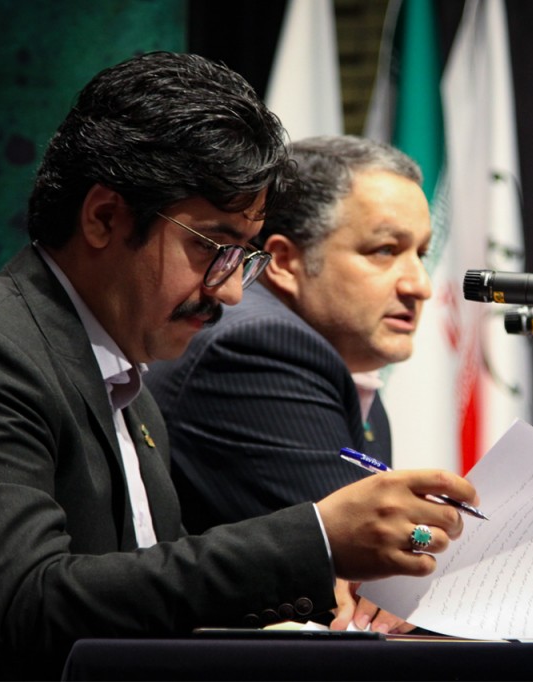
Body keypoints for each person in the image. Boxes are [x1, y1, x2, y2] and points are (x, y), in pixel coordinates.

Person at [0, 52, 476, 681]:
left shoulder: (126, 378)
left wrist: (296, 602)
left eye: (244, 256)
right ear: (104, 217)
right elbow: (27, 602)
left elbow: (146, 594)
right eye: (214, 247)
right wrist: (315, 537)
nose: (231, 291)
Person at [146, 135, 431, 532]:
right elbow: (366, 555)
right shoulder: (258, 348)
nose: (420, 286)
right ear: (284, 261)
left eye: (422, 254)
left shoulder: (350, 372)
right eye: (384, 250)